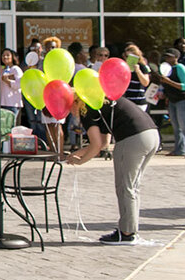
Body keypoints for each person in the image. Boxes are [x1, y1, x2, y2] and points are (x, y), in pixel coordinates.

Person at [66, 95, 159, 245]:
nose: (70, 112)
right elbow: (103, 143)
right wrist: (78, 153)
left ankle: (126, 233)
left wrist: (81, 161)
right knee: (133, 186)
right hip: (151, 135)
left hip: (131, 139)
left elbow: (96, 145)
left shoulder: (86, 109)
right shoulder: (100, 101)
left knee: (125, 187)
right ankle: (129, 229)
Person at [158, 48, 185, 158]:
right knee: (176, 125)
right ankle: (180, 149)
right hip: (173, 99)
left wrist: (168, 81)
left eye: (170, 56)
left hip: (184, 99)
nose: (167, 58)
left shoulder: (180, 68)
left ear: (176, 58)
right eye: (166, 56)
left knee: (184, 124)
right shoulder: (167, 69)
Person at [121, 43, 152, 113]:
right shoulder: (124, 67)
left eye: (131, 56)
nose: (128, 59)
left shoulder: (142, 66)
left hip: (139, 101)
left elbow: (145, 83)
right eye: (126, 56)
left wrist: (138, 71)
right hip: (128, 100)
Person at [0, 48, 23, 118]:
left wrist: (7, 81)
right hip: (3, 102)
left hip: (12, 103)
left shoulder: (16, 69)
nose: (5, 57)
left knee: (11, 125)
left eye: (7, 55)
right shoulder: (2, 70)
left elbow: (19, 84)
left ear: (12, 57)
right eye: (3, 55)